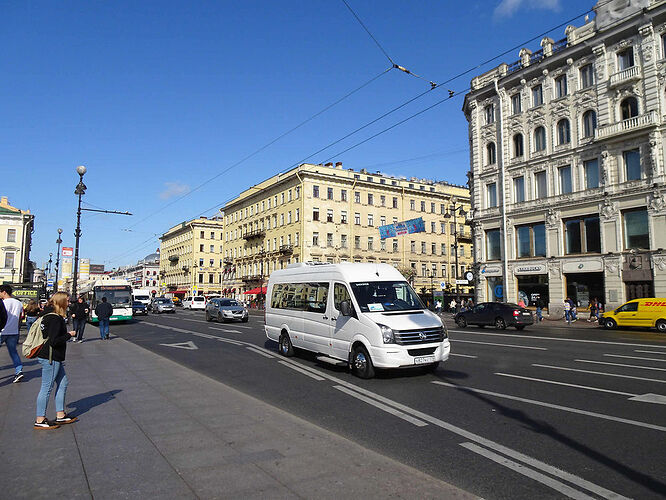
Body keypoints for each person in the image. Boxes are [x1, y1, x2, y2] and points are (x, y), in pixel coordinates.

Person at [34, 291, 78, 429]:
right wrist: (68, 335)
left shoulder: (47, 315)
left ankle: (60, 415)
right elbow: (54, 340)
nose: (69, 304)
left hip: (51, 356)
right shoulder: (55, 319)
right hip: (51, 357)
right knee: (46, 387)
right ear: (62, 302)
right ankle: (40, 419)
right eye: (68, 301)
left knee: (63, 383)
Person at [0, 284, 25, 383]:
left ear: (4, 292)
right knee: (13, 352)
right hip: (13, 331)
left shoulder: (3, 303)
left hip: (2, 331)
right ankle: (19, 371)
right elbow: (20, 317)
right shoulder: (19, 303)